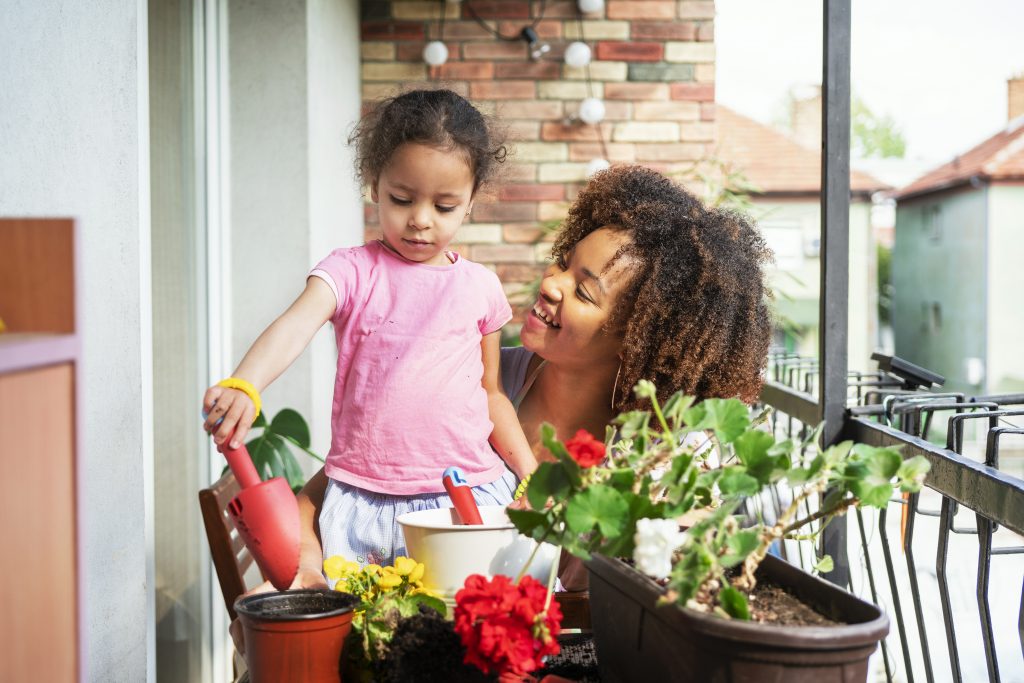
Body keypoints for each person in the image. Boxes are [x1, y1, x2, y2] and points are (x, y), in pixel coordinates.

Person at [283, 164, 774, 592]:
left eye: (583, 292)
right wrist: (304, 561)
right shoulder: (475, 381)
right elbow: (339, 484)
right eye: (564, 262)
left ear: (640, 341)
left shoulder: (651, 465)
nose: (551, 283)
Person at [202, 88, 537, 569]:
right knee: (374, 638)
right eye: (402, 199)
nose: (421, 220)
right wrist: (245, 383)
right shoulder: (351, 272)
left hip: (469, 496)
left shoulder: (480, 286)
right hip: (366, 501)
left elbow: (491, 394)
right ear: (373, 182)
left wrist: (527, 471)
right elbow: (296, 325)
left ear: (471, 202)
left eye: (444, 207)